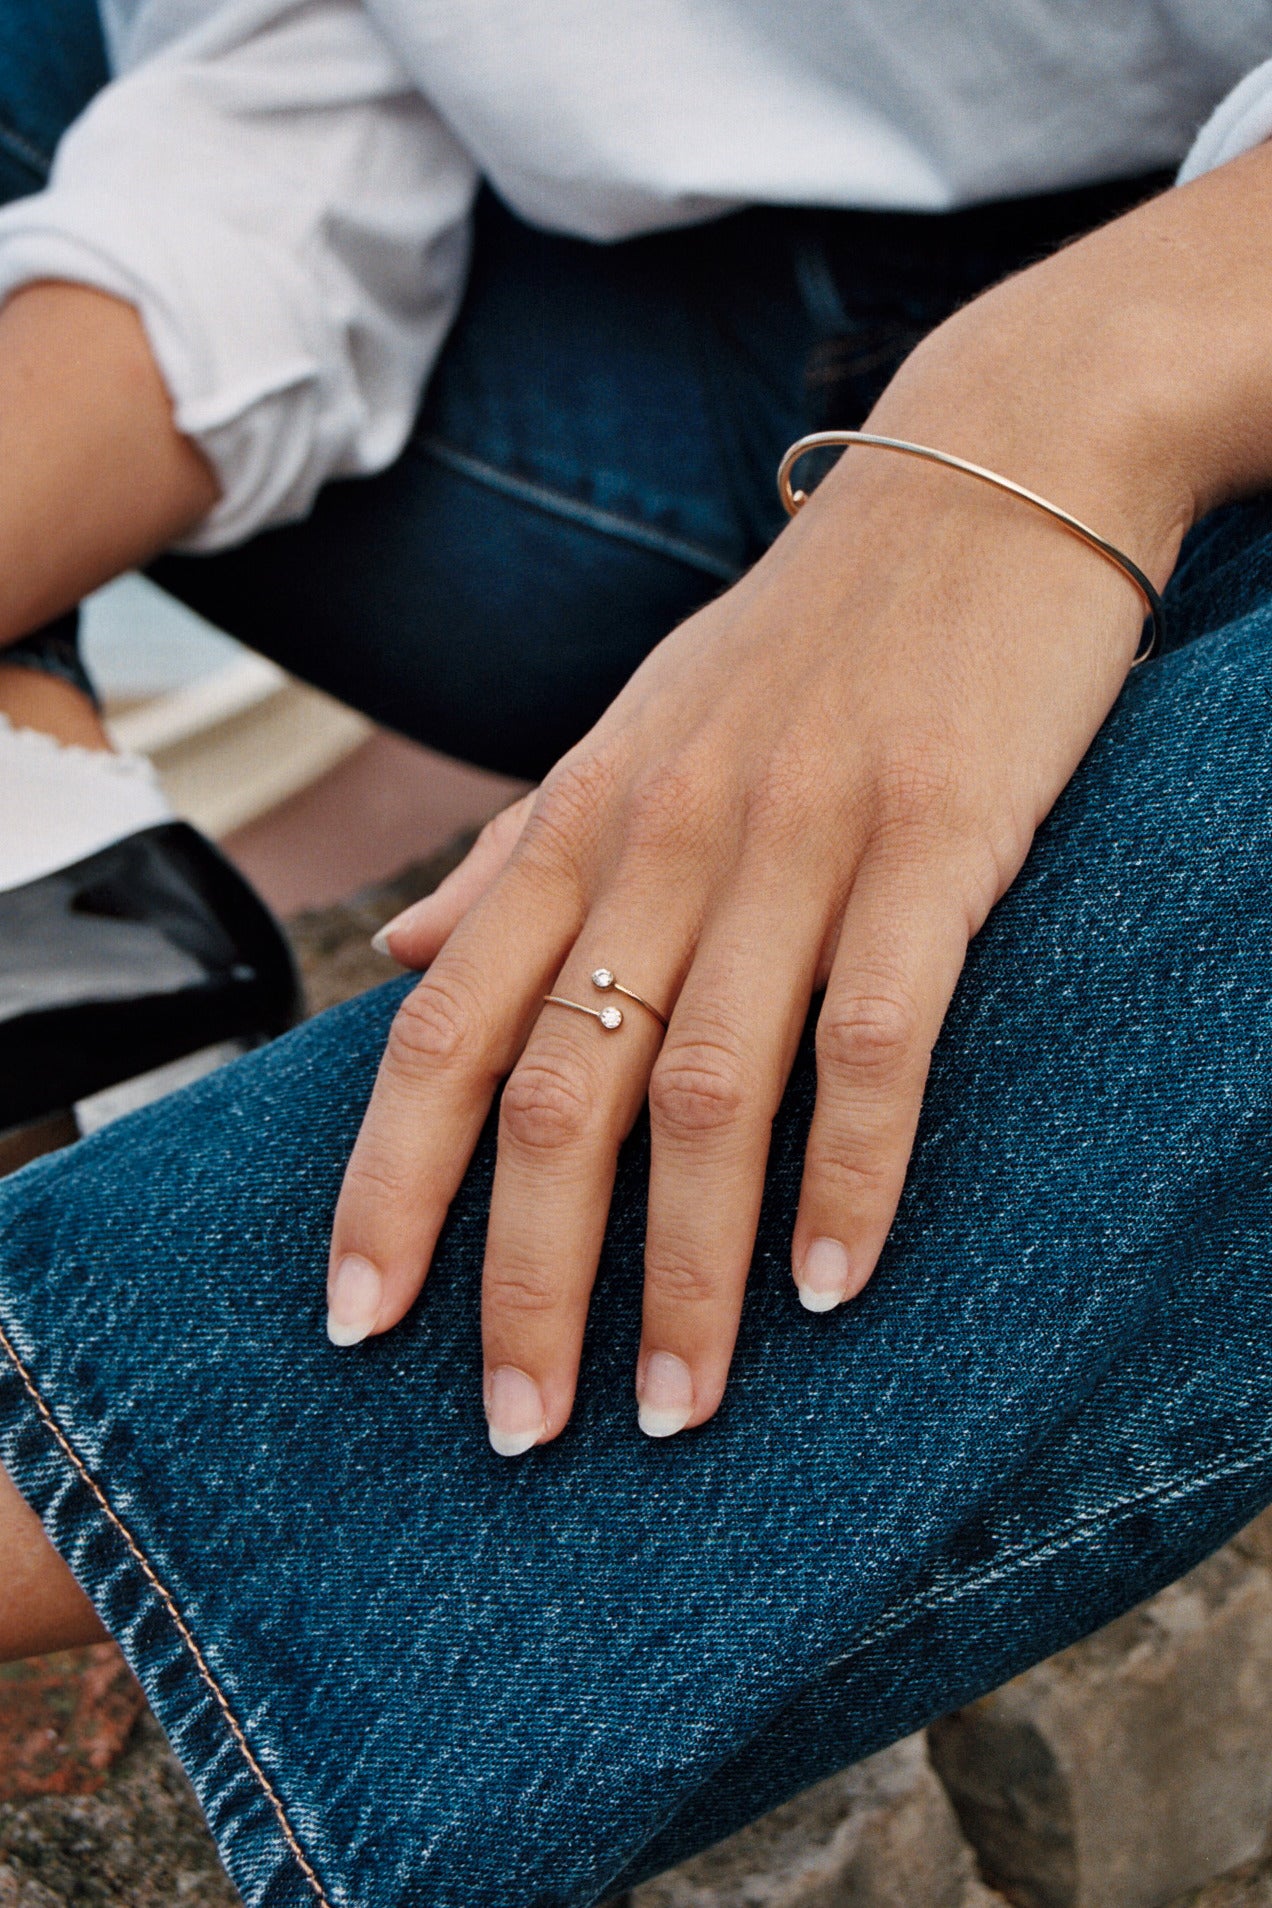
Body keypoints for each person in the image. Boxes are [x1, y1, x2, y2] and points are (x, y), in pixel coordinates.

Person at [4, 4, 1272, 1903]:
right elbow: (293, 94)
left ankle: (114, 1446)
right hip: (648, 342)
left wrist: (1039, 420)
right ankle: (46, 828)